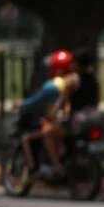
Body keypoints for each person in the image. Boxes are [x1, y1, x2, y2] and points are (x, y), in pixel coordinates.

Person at [14, 50, 81, 178]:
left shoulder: (51, 86)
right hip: (73, 121)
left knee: (27, 138)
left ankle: (38, 168)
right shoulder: (74, 81)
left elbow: (35, 101)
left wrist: (20, 104)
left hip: (57, 122)